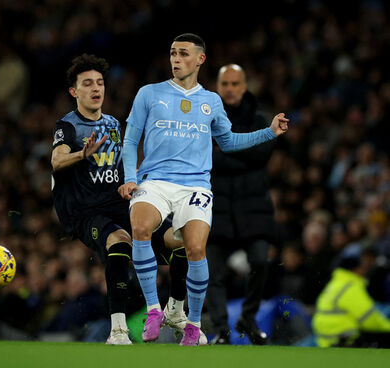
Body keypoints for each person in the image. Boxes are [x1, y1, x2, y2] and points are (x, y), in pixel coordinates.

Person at [118, 33, 288, 346]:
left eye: (183, 54)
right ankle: (154, 310)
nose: (176, 59)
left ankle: (193, 324)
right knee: (140, 227)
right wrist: (130, 178)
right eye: (172, 53)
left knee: (196, 249)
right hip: (154, 180)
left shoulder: (211, 101)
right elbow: (130, 140)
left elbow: (229, 141)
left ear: (200, 59)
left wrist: (269, 132)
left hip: (195, 185)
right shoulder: (149, 94)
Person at [50, 54, 205, 345]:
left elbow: (123, 166)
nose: (96, 88)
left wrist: (134, 182)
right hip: (85, 211)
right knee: (119, 241)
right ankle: (118, 330)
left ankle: (175, 309)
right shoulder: (68, 126)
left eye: (99, 82)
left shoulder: (111, 124)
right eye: (87, 84)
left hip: (119, 204)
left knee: (182, 238)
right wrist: (81, 154)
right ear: (74, 92)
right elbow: (57, 161)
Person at [206, 64, 277, 345]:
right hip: (216, 207)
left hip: (253, 207)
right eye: (226, 84)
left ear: (244, 86)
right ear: (218, 87)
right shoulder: (206, 121)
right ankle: (222, 331)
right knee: (212, 272)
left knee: (260, 261)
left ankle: (248, 319)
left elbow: (262, 155)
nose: (231, 89)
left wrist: (223, 149)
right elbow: (204, 158)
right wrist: (245, 149)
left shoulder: (261, 119)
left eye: (236, 84)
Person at [313, 245, 390, 348]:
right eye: (362, 267)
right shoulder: (350, 287)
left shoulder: (336, 283)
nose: (364, 270)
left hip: (325, 341)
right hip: (344, 341)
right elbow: (369, 320)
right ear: (355, 269)